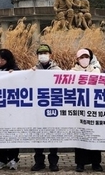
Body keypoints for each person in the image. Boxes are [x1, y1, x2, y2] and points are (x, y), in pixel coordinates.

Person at [71, 48, 104, 172]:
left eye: (86, 56)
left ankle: (96, 163)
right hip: (79, 108)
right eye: (81, 57)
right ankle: (80, 163)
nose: (84, 59)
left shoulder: (96, 71)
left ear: (90, 58)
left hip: (94, 108)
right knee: (80, 136)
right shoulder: (72, 72)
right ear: (77, 59)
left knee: (95, 135)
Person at [31, 44, 62, 172]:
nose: (43, 55)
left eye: (45, 53)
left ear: (50, 54)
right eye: (40, 53)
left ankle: (53, 162)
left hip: (52, 108)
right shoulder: (33, 70)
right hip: (38, 109)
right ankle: (39, 161)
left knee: (53, 136)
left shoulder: (57, 70)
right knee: (38, 136)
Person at [0, 48, 21, 170]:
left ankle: (14, 158)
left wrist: (13, 75)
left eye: (2, 59)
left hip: (12, 107)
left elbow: (22, 82)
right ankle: (2, 158)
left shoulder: (15, 69)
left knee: (12, 132)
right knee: (1, 133)